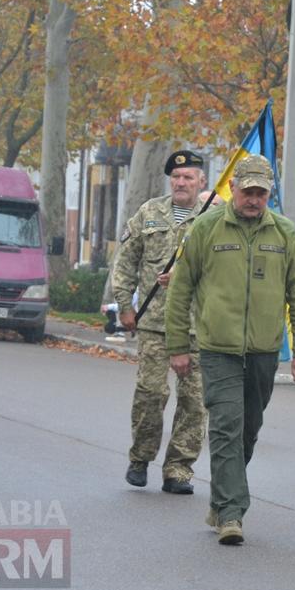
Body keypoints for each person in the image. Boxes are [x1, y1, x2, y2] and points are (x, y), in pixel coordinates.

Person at [166, 154, 295, 545]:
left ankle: (221, 498)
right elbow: (180, 289)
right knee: (226, 427)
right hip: (218, 349)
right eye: (247, 191)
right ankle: (232, 513)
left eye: (260, 193)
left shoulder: (285, 234)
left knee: (248, 430)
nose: (253, 199)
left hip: (264, 351)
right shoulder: (205, 228)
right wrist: (178, 345)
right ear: (233, 188)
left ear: (269, 194)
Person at [112, 150, 208, 494]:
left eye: (188, 177)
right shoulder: (150, 212)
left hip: (200, 325)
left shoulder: (214, 217)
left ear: (202, 182)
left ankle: (179, 469)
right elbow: (126, 261)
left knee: (195, 402)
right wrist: (125, 304)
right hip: (154, 322)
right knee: (151, 394)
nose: (181, 183)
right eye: (176, 177)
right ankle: (140, 458)